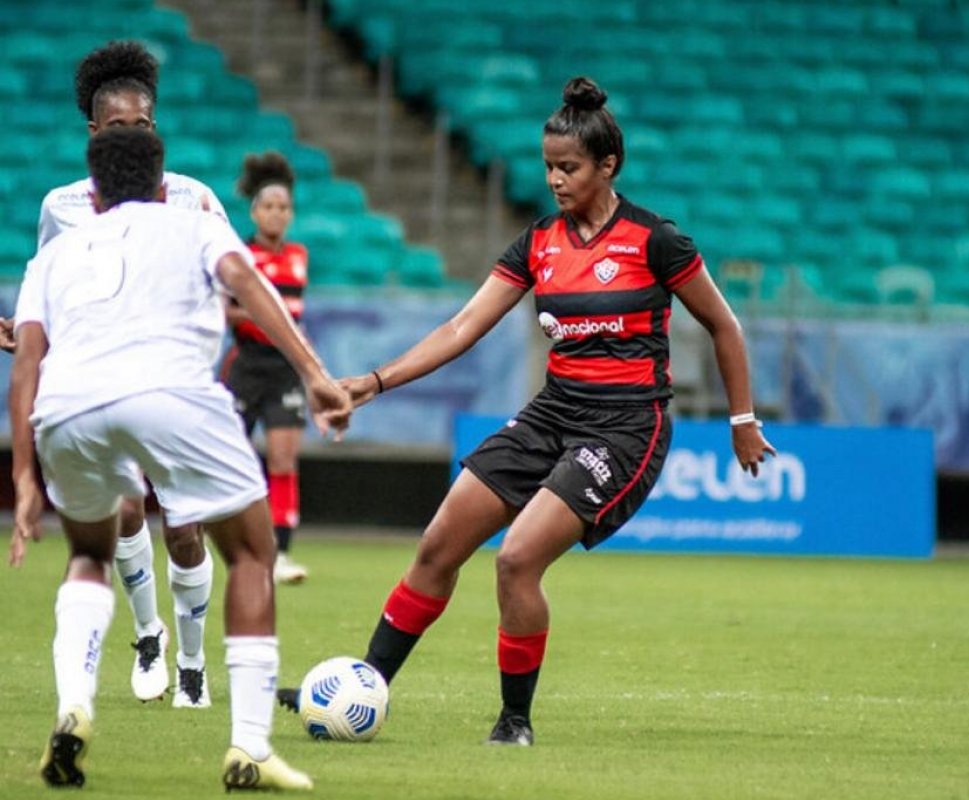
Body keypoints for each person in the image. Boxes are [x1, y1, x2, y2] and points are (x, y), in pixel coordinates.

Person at [276, 76, 776, 745]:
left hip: (627, 426)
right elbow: (461, 327)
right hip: (552, 413)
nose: (555, 180)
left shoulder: (657, 241)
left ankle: (514, 720)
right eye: (548, 167)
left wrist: (743, 423)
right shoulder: (539, 243)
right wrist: (373, 381)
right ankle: (361, 687)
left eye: (568, 168)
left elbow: (725, 326)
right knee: (438, 546)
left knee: (515, 561)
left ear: (608, 166)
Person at [8, 126, 350, 790]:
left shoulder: (57, 252)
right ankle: (249, 747)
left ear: (95, 194)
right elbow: (246, 283)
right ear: (165, 187)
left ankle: (73, 704)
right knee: (252, 552)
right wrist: (313, 373)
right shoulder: (192, 222)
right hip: (170, 391)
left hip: (67, 408)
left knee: (88, 555)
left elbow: (26, 359)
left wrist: (23, 474)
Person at [5, 40, 231, 708]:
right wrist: (27, 336)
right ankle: (148, 633)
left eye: (145, 127)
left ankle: (192, 661)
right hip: (102, 387)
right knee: (126, 510)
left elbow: (226, 282)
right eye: (120, 129)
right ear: (94, 134)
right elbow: (53, 295)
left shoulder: (193, 199)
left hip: (175, 383)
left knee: (186, 529)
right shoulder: (61, 207)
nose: (134, 139)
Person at [223, 152, 311, 585]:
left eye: (284, 207)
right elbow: (225, 310)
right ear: (255, 211)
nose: (276, 213)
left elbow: (296, 315)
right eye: (269, 206)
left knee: (282, 456)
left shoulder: (299, 256)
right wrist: (262, 316)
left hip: (285, 366)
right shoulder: (238, 255)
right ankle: (228, 536)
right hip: (247, 363)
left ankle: (279, 552)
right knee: (231, 454)